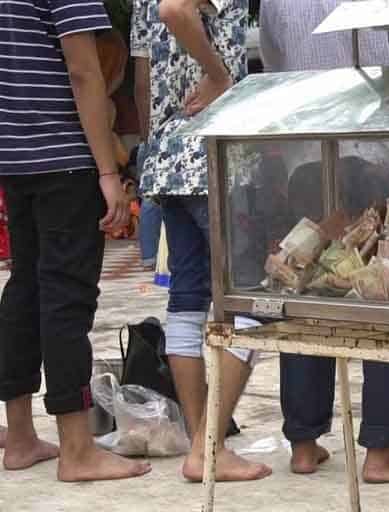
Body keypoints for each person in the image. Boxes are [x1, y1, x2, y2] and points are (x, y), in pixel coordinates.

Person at [258, 0, 389, 483]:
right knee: (383, 292)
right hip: (371, 153)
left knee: (307, 291)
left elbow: (275, 62)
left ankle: (303, 442)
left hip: (306, 154)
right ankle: (383, 449)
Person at [0, 0, 150, 481]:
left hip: (16, 158)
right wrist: (109, 171)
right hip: (65, 156)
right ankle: (77, 449)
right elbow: (84, 73)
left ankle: (20, 437)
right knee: (67, 296)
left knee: (25, 288)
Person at [131, 0, 271, 482]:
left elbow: (143, 80)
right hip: (213, 155)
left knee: (187, 300)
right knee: (253, 300)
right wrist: (218, 74)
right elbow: (176, 9)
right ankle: (210, 446)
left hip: (168, 157)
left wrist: (154, 148)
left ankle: (200, 444)